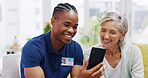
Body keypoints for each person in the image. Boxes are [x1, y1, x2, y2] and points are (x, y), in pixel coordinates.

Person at [20, 3, 105, 78]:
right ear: (53, 21)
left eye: (75, 27)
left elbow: (76, 76)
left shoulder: (75, 48)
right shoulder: (33, 48)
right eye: (67, 25)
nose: (71, 30)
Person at [84, 12, 144, 78]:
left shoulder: (134, 51)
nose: (106, 36)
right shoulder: (90, 53)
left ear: (122, 35)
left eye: (112, 32)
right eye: (103, 31)